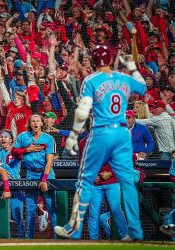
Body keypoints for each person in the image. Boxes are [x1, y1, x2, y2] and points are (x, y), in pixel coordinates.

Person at [54, 45, 146, 240]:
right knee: (128, 183)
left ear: (95, 60)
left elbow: (82, 111)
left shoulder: (92, 79)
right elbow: (143, 87)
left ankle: (74, 229)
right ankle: (135, 233)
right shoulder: (124, 78)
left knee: (85, 180)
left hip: (102, 132)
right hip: (122, 133)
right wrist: (133, 67)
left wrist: (73, 134)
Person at [12, 114, 57, 239]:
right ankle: (29, 240)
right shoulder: (23, 136)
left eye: (38, 121)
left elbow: (49, 162)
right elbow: (13, 151)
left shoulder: (49, 139)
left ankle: (57, 239)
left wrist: (44, 180)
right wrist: (27, 150)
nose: (35, 123)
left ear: (42, 123)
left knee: (51, 207)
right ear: (29, 123)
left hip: (46, 174)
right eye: (33, 121)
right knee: (31, 209)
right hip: (31, 174)